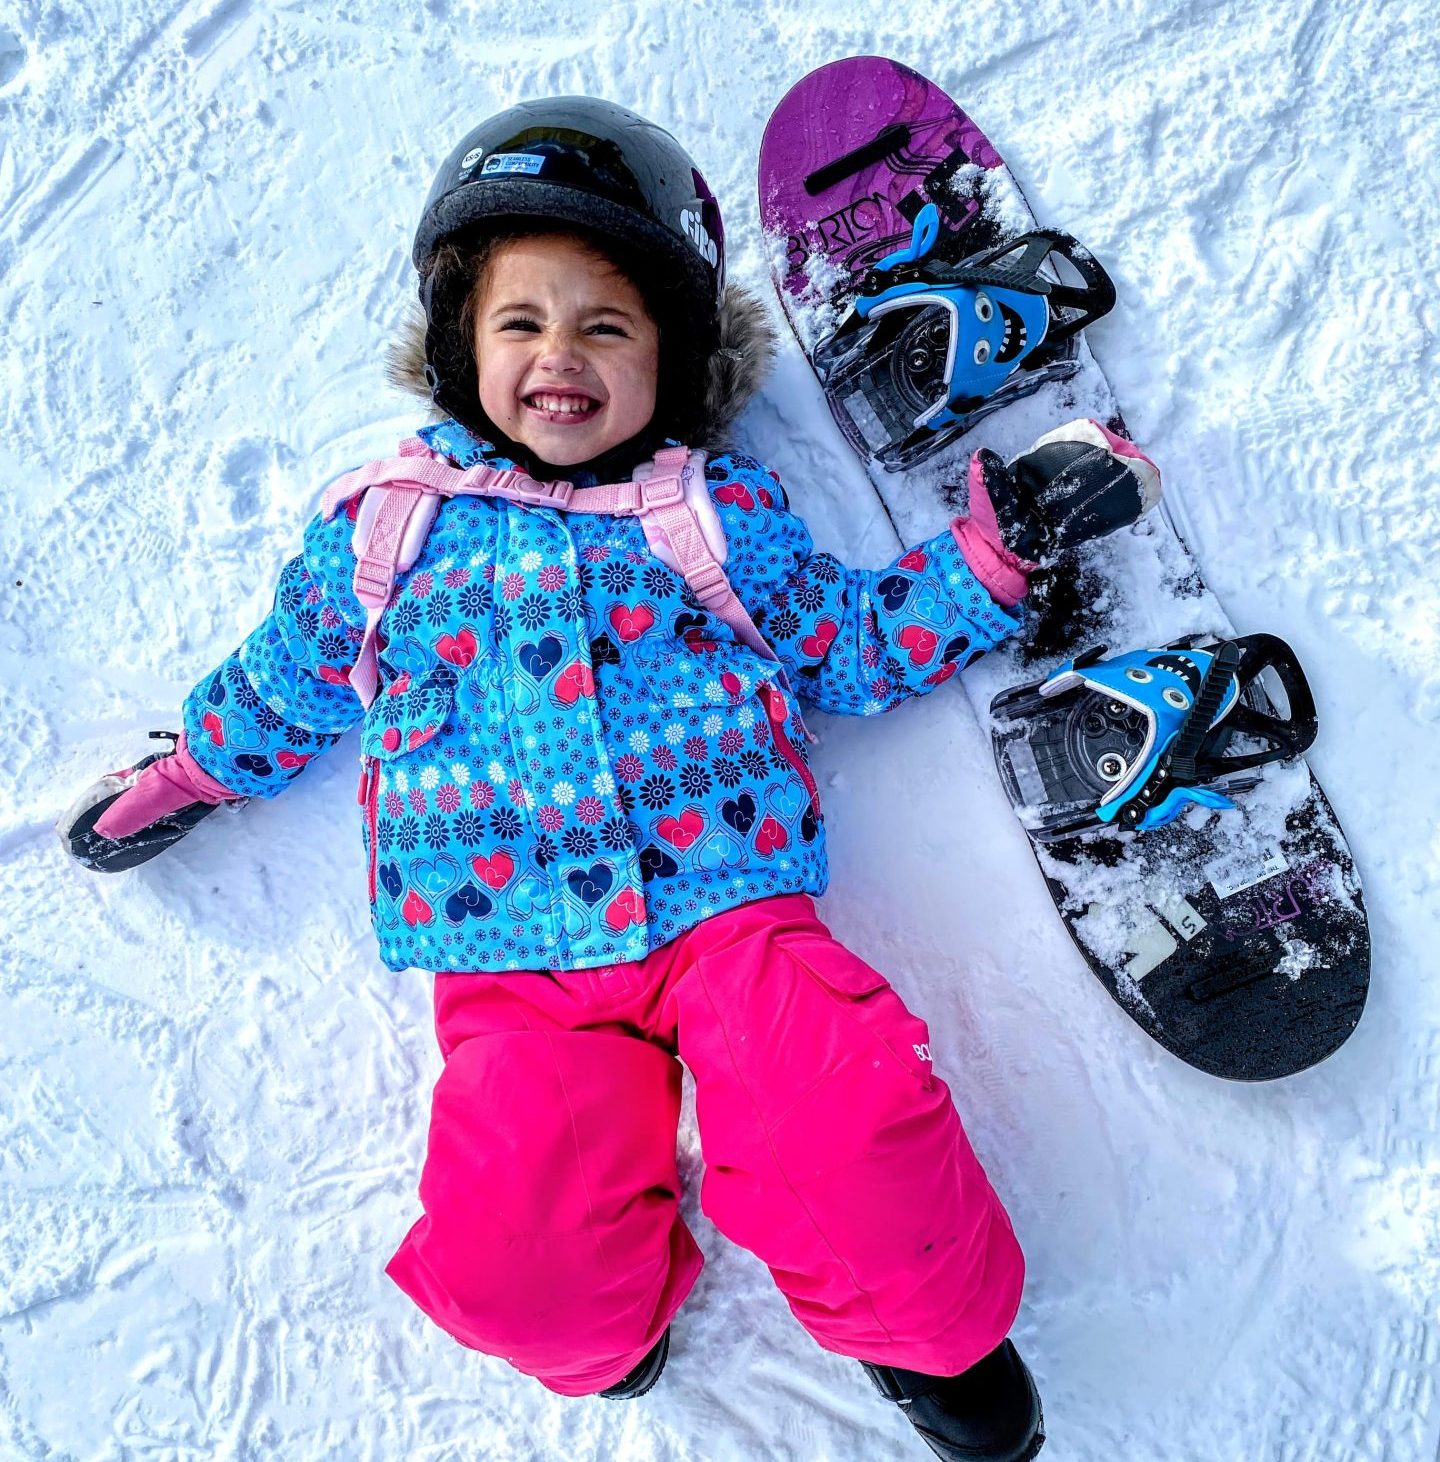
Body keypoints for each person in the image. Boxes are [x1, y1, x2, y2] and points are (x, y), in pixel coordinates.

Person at [58, 96, 1160, 1462]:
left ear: (672, 360)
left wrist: (984, 573)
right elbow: (286, 676)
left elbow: (848, 641)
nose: (559, 357)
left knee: (845, 1111)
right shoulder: (389, 525)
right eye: (522, 322)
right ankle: (607, 1322)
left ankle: (920, 1328)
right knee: (519, 1235)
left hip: (727, 916)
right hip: (511, 962)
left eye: (607, 326)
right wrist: (197, 772)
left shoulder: (709, 513)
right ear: (463, 347)